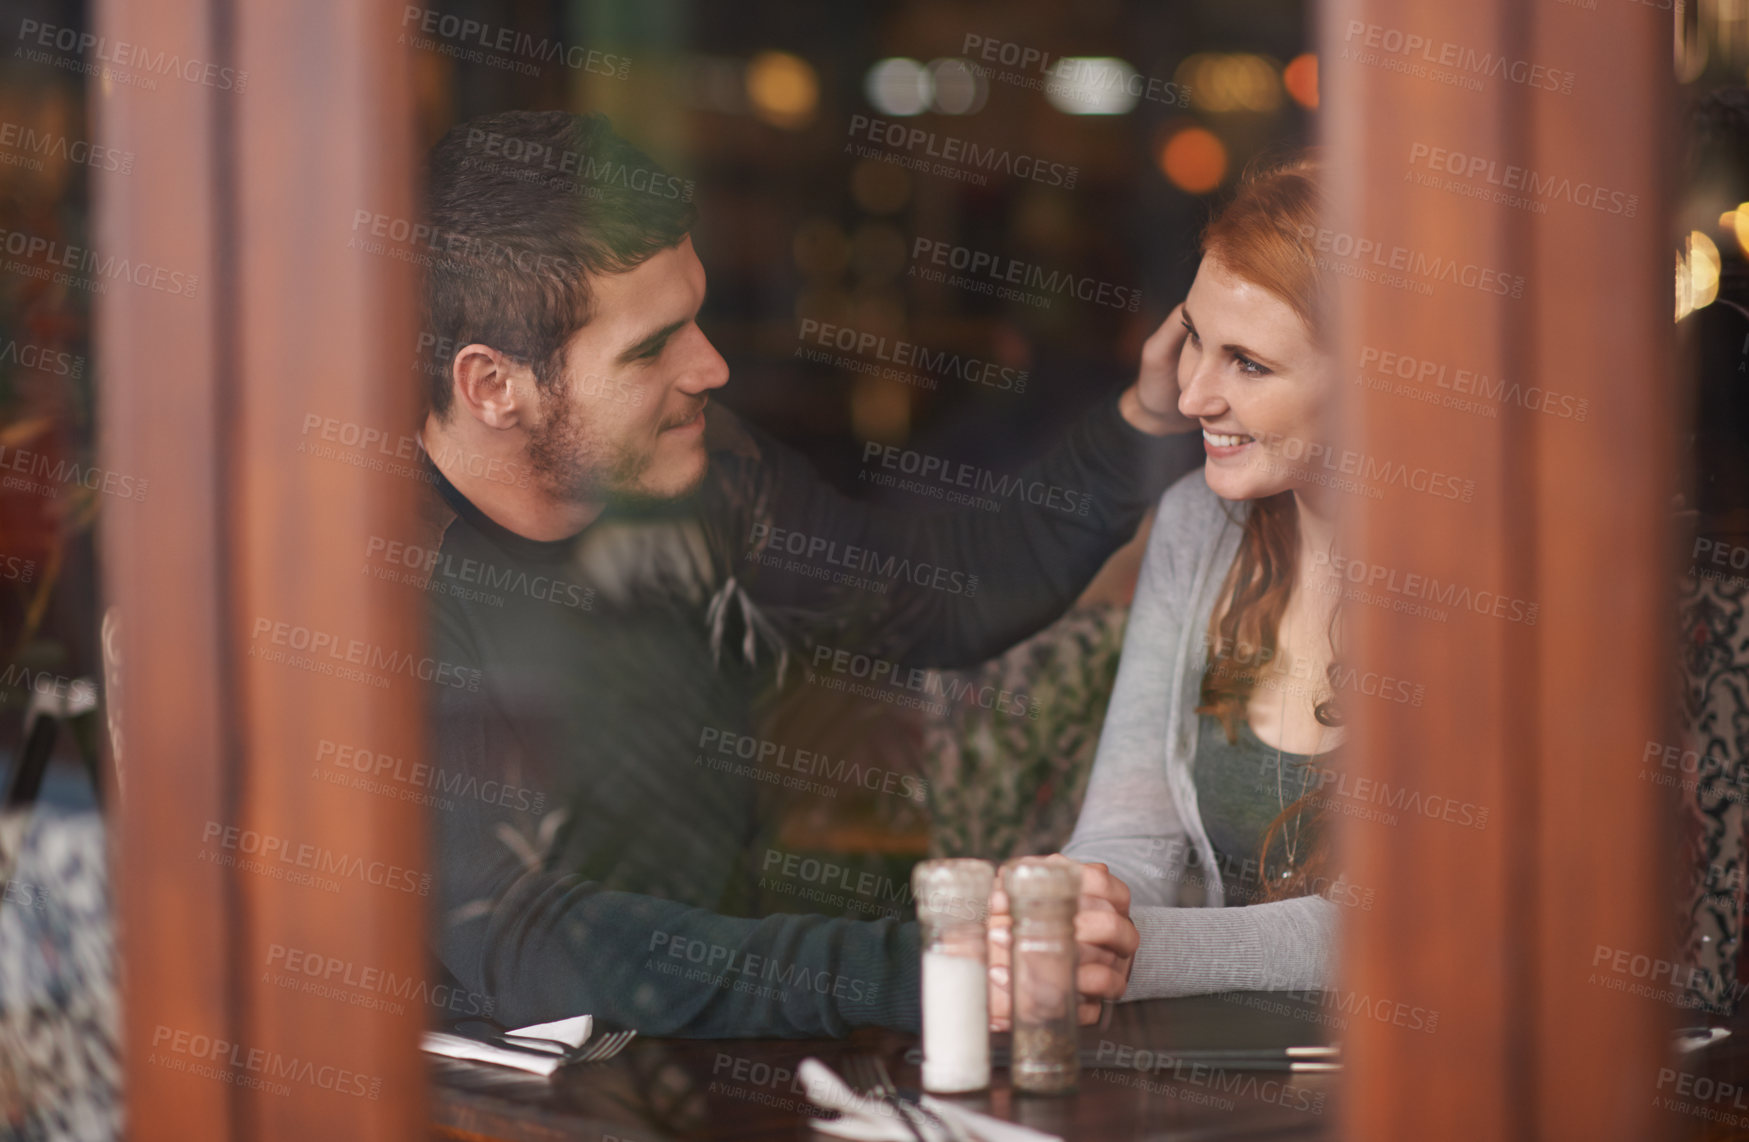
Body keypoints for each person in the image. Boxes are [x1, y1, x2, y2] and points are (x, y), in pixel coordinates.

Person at [409, 109, 1204, 1037]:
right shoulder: (374, 586)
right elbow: (522, 944)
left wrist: (1144, 423)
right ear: (492, 385)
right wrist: (921, 969)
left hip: (709, 1078)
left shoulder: (707, 480)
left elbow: (933, 601)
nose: (708, 366)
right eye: (649, 346)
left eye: (695, 317)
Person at [992, 157, 1345, 1015]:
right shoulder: (1200, 523)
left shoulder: (1490, 576)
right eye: (1191, 336)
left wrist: (1132, 951)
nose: (1190, 395)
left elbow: (1415, 923)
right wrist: (1074, 908)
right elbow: (1131, 833)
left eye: (1247, 365)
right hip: (1236, 1074)